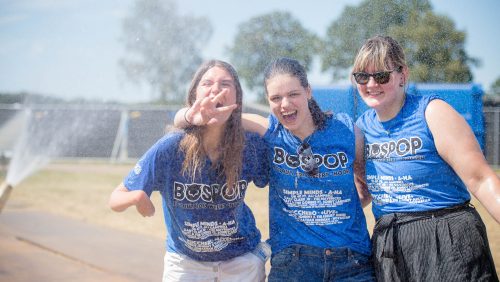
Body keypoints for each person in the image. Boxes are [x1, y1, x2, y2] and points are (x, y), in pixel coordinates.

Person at [176, 57, 375, 281]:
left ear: (308, 92)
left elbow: (369, 185)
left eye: (293, 94)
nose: (285, 105)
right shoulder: (269, 130)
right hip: (293, 264)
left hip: (352, 263)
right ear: (268, 100)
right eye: (276, 98)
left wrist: (335, 212)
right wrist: (188, 115)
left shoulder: (346, 131)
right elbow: (188, 119)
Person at [352, 35, 500, 282]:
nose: (371, 84)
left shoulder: (432, 112)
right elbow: (363, 190)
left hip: (447, 238)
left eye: (381, 76)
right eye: (361, 77)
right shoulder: (361, 129)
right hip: (390, 246)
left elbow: (481, 180)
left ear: (403, 75)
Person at [109, 60, 270, 282]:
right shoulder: (171, 147)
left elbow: (273, 134)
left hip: (240, 262)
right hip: (186, 263)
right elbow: (115, 199)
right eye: (207, 83)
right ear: (194, 95)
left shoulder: (248, 145)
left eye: (225, 84)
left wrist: (256, 257)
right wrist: (137, 196)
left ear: (237, 98)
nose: (216, 89)